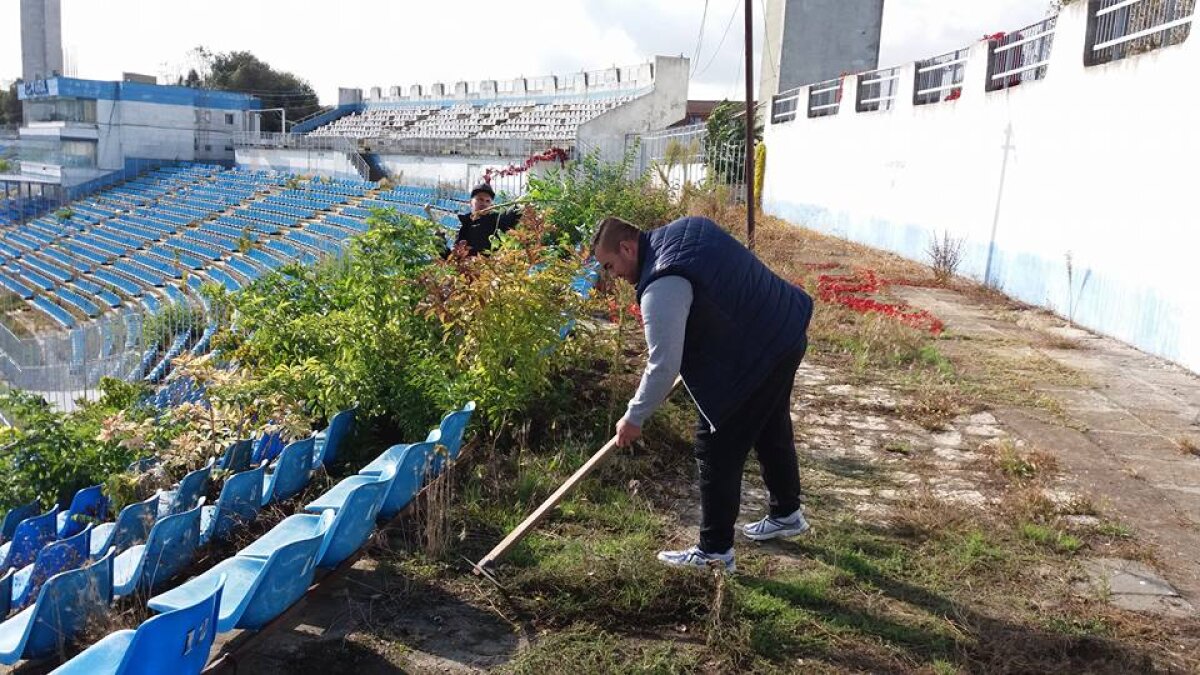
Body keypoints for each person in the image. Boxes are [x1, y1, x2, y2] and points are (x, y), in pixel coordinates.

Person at [592, 215, 815, 573]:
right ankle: (787, 513)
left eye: (609, 265)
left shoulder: (661, 284)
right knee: (771, 425)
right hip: (784, 327)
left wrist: (634, 417)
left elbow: (663, 364)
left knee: (716, 446)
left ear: (627, 248)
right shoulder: (686, 229)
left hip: (760, 349)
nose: (611, 274)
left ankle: (714, 551)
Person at [450, 182, 522, 256]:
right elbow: (457, 250)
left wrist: (520, 205)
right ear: (471, 202)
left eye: (488, 201)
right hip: (469, 265)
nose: (484, 204)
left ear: (491, 205)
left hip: (491, 265)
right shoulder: (464, 222)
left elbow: (513, 214)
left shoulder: (497, 220)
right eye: (480, 199)